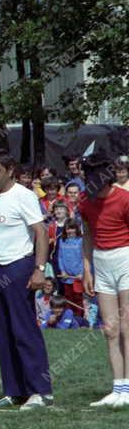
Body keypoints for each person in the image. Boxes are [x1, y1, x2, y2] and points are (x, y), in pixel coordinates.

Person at [0, 150, 53, 411]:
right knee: (1, 333)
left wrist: (39, 269)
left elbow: (41, 232)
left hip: (19, 266)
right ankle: (14, 391)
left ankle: (40, 391)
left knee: (24, 330)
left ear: (10, 171)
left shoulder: (24, 195)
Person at [79, 154, 129, 407]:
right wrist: (87, 270)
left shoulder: (124, 199)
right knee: (110, 329)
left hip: (125, 257)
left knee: (127, 327)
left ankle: (128, 389)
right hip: (101, 260)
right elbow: (88, 235)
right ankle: (117, 389)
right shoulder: (85, 202)